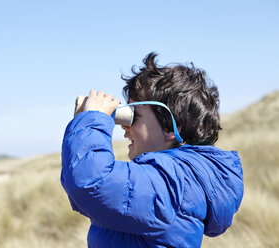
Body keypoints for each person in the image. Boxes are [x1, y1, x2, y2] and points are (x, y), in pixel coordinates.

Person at [61, 52, 244, 247]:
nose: (124, 126)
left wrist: (94, 118)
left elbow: (90, 182)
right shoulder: (177, 179)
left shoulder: (173, 182)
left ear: (172, 128)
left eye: (134, 116)